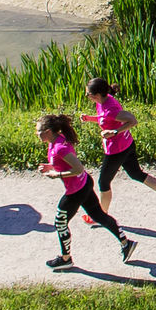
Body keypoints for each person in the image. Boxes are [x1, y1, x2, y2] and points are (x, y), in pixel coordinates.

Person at [37, 112, 137, 271]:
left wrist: (57, 174)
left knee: (60, 222)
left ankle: (66, 258)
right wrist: (51, 167)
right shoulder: (56, 141)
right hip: (84, 184)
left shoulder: (59, 147)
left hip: (76, 190)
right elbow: (64, 163)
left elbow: (78, 168)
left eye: (39, 131)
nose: (37, 134)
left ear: (48, 131)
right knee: (99, 216)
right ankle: (126, 243)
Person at [80, 77, 156, 219]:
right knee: (137, 174)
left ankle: (101, 216)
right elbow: (104, 118)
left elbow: (132, 120)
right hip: (126, 145)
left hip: (117, 150)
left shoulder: (110, 109)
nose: (87, 96)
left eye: (87, 94)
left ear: (96, 95)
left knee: (103, 182)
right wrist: (90, 118)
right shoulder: (102, 102)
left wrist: (114, 132)